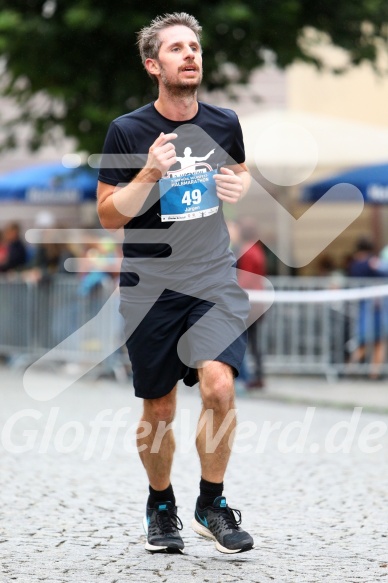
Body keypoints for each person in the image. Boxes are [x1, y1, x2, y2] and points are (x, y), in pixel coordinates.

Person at [97, 12, 254, 555]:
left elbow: (240, 170)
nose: (190, 55)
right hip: (150, 287)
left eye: (195, 47)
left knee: (219, 386)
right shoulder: (128, 129)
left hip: (212, 277)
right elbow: (108, 216)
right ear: (152, 64)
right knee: (159, 408)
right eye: (176, 49)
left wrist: (238, 182)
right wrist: (148, 173)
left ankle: (212, 500)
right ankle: (160, 505)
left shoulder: (224, 121)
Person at [236, 217, 267, 389]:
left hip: (250, 302)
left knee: (241, 339)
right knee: (254, 341)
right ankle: (258, 376)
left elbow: (245, 279)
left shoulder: (247, 250)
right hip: (258, 301)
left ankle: (246, 376)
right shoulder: (257, 249)